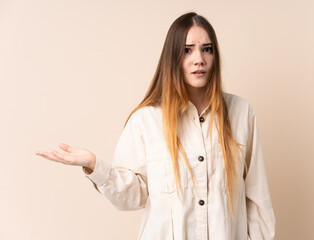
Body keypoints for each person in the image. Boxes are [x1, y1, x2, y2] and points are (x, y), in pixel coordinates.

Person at [36, 12, 275, 240]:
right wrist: (94, 165)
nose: (199, 59)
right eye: (187, 50)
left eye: (207, 49)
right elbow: (131, 197)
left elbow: (257, 201)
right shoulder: (145, 120)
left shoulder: (241, 113)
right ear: (173, 57)